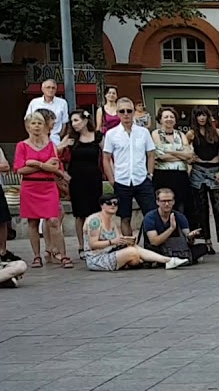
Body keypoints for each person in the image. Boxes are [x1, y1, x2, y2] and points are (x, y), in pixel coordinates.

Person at [15, 113, 72, 268]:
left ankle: (63, 255)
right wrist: (45, 165)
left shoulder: (51, 145)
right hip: (30, 187)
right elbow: (20, 169)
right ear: (27, 126)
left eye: (40, 123)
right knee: (32, 222)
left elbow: (55, 167)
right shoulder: (22, 146)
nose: (37, 126)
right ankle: (36, 256)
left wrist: (36, 164)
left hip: (48, 186)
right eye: (33, 123)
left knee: (53, 220)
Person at [83, 195, 187, 271]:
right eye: (109, 203)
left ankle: (168, 260)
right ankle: (167, 260)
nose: (113, 205)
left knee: (135, 254)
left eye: (116, 203)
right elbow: (93, 245)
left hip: (110, 252)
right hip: (96, 258)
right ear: (102, 205)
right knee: (133, 253)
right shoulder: (95, 221)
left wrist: (126, 241)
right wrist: (112, 241)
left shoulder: (112, 221)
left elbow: (119, 240)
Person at [102, 98, 157, 239]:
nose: (126, 114)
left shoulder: (143, 132)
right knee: (124, 217)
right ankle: (129, 246)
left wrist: (150, 174)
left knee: (151, 214)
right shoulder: (111, 134)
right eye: (122, 111)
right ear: (117, 113)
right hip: (122, 180)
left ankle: (152, 245)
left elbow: (151, 154)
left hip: (142, 179)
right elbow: (106, 158)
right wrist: (112, 180)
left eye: (129, 111)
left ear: (134, 112)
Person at [61, 109, 105, 256]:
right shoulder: (70, 138)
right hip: (76, 179)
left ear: (85, 120)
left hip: (94, 178)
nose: (74, 124)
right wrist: (63, 173)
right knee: (80, 213)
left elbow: (107, 155)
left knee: (95, 211)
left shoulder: (98, 136)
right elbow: (54, 152)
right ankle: (81, 246)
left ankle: (96, 242)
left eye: (76, 120)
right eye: (72, 121)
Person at [186, 106, 219, 254]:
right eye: (199, 115)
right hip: (198, 170)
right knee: (201, 208)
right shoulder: (191, 134)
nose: (202, 118)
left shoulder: (217, 132)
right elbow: (185, 150)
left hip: (214, 169)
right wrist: (190, 159)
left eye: (204, 115)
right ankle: (207, 240)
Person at [151, 108, 194, 239]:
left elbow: (190, 155)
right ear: (160, 120)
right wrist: (181, 155)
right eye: (166, 117)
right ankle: (165, 237)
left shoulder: (181, 135)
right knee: (164, 207)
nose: (169, 119)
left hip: (180, 176)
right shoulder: (155, 134)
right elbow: (160, 155)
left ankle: (182, 238)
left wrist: (170, 152)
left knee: (181, 207)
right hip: (163, 176)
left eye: (171, 117)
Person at [143, 187, 202, 262]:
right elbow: (154, 242)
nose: (167, 204)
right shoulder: (150, 217)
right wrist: (171, 228)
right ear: (157, 202)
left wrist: (191, 237)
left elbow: (188, 242)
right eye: (163, 201)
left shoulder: (180, 216)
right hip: (158, 249)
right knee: (150, 250)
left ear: (173, 201)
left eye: (169, 201)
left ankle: (178, 259)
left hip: (177, 248)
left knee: (202, 248)